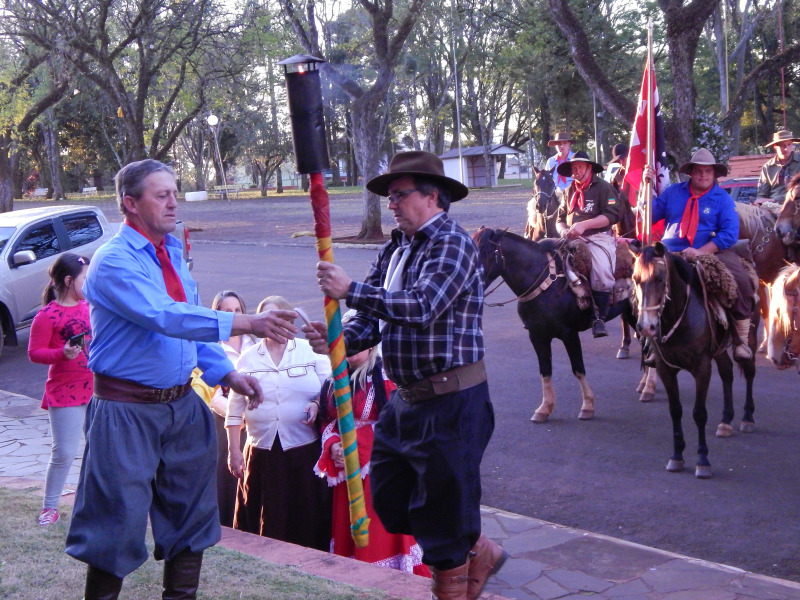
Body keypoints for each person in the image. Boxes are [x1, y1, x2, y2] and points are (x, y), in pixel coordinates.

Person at [65, 159, 298, 600]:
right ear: (129, 204)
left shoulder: (170, 252)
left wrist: (227, 371)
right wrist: (247, 322)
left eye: (175, 192)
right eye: (161, 194)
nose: (174, 202)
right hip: (126, 410)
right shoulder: (113, 262)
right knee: (115, 522)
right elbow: (165, 316)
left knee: (191, 518)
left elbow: (191, 327)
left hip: (183, 407)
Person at [305, 150, 503, 600]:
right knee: (392, 505)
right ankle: (477, 545)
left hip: (452, 401)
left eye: (399, 194)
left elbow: (422, 306)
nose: (391, 203)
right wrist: (335, 340)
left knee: (442, 523)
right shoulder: (396, 247)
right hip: (406, 402)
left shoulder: (452, 243)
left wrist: (350, 289)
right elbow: (370, 320)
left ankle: (452, 579)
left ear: (432, 196)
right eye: (390, 196)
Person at [315, 310, 430, 577]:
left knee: (378, 529)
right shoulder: (335, 381)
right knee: (350, 527)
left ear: (372, 344)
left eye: (357, 344)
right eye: (345, 343)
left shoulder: (387, 379)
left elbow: (400, 426)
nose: (351, 350)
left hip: (379, 472)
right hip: (347, 471)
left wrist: (356, 446)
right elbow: (328, 420)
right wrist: (333, 445)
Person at [226, 295, 332, 551]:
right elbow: (234, 407)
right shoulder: (249, 358)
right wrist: (233, 451)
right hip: (261, 451)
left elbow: (332, 390)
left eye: (277, 318)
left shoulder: (310, 352)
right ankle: (260, 560)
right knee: (261, 513)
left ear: (289, 320)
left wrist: (317, 403)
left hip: (302, 451)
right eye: (266, 318)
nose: (271, 324)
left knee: (304, 515)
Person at [645, 148, 755, 361]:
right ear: (691, 173)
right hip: (671, 251)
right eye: (698, 171)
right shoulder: (674, 192)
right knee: (645, 281)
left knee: (741, 280)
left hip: (712, 251)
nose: (703, 175)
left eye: (708, 171)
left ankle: (740, 339)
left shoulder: (722, 198)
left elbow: (730, 234)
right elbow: (650, 214)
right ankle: (649, 342)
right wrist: (645, 188)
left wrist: (700, 252)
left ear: (714, 174)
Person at [27, 253, 92, 527]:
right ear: (68, 280)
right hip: (65, 392)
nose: (89, 285)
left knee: (99, 450)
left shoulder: (91, 306)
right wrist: (61, 353)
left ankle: (93, 503)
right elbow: (34, 353)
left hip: (97, 389)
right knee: (64, 452)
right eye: (84, 279)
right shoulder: (46, 316)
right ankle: (50, 507)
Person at [556, 151, 621, 338]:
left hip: (597, 237)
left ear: (589, 168)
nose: (576, 171)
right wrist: (562, 230)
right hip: (569, 237)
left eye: (580, 167)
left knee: (601, 270)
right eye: (573, 168)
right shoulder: (569, 191)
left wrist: (585, 225)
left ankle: (598, 317)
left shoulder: (604, 188)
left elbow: (612, 215)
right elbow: (559, 218)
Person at [209, 291, 256, 527]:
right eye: (227, 312)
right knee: (225, 473)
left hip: (254, 422)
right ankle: (225, 521)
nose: (234, 316)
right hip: (223, 423)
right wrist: (237, 415)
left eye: (237, 310)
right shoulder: (212, 346)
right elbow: (212, 395)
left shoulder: (254, 343)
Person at [755, 129, 800, 212]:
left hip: (795, 205)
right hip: (771, 208)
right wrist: (759, 202)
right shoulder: (768, 167)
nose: (786, 149)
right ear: (775, 146)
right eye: (783, 145)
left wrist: (775, 199)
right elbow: (762, 193)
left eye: (789, 144)